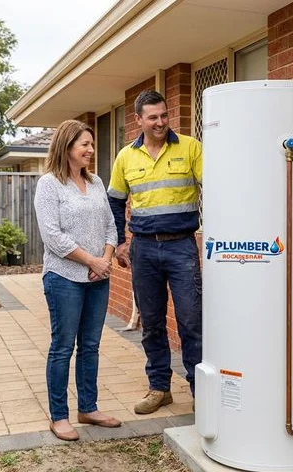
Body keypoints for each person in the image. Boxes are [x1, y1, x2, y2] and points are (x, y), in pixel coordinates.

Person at [108, 90, 202, 414]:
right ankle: (159, 387)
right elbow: (115, 202)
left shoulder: (190, 147)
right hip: (144, 249)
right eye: (153, 117)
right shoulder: (125, 157)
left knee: (191, 319)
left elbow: (216, 186)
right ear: (139, 120)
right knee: (151, 322)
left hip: (182, 246)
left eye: (164, 115)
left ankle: (200, 391)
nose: (160, 122)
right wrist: (119, 241)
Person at [34, 119, 122, 441]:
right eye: (84, 144)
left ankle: (89, 407)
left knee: (90, 345)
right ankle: (59, 416)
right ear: (67, 147)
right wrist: (92, 260)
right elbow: (52, 237)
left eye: (91, 144)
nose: (90, 150)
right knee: (62, 347)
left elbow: (111, 227)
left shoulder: (97, 182)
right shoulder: (49, 185)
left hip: (98, 277)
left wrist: (106, 261)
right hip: (64, 278)